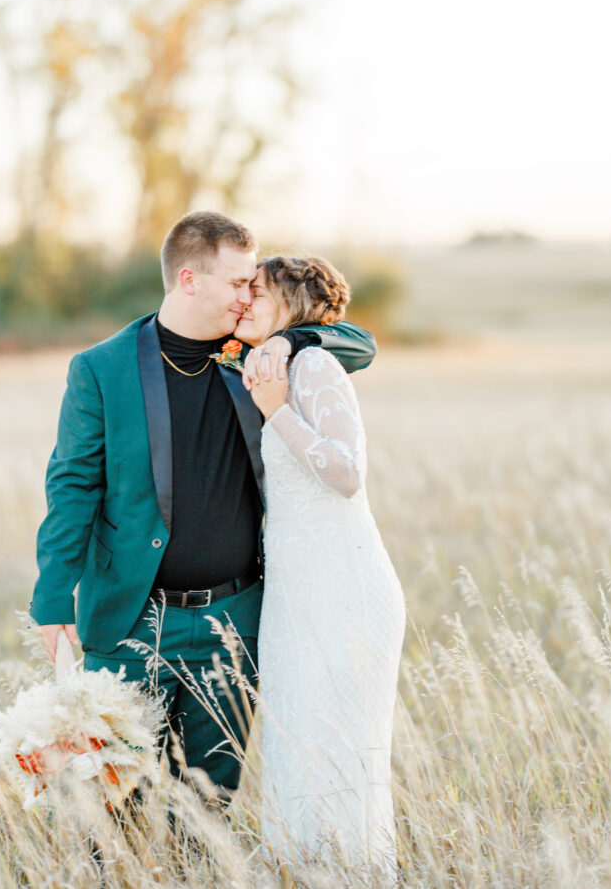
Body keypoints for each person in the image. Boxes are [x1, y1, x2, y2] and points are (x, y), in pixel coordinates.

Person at [29, 211, 377, 798]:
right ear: (190, 280)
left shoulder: (253, 351)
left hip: (235, 618)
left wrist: (294, 335)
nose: (250, 294)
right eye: (239, 282)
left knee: (210, 796)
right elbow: (72, 487)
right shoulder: (101, 368)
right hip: (131, 617)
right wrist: (52, 595)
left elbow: (360, 344)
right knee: (110, 794)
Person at [235, 256, 405, 870]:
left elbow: (346, 473)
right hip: (295, 592)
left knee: (336, 746)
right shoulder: (270, 357)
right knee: (298, 741)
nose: (245, 300)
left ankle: (350, 873)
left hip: (341, 585)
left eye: (258, 290)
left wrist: (276, 411)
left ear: (292, 302)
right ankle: (302, 873)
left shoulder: (313, 365)